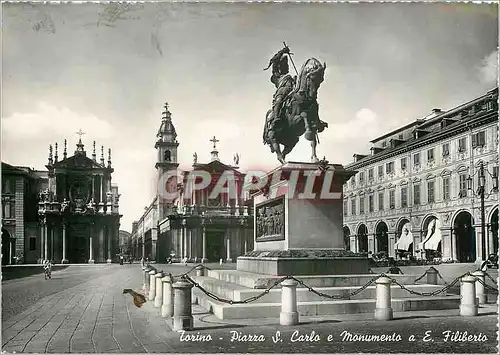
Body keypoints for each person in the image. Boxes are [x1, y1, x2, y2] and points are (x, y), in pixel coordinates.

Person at [263, 45, 295, 151]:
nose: (286, 66)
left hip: (292, 91)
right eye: (284, 65)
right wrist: (282, 51)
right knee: (279, 100)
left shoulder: (290, 77)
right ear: (279, 66)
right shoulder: (276, 76)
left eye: (287, 65)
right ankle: (276, 118)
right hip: (281, 93)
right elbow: (274, 60)